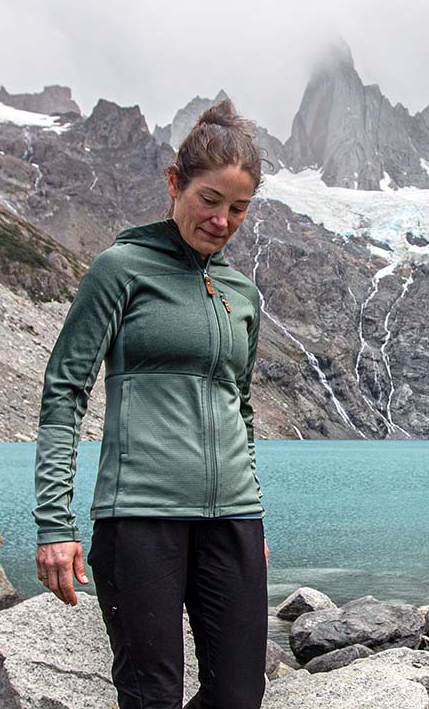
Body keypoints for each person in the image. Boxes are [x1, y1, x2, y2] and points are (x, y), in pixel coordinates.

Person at [33, 99, 269, 709]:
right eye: (209, 200)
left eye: (238, 209)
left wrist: (252, 511)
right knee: (151, 696)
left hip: (232, 522)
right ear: (174, 183)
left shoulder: (242, 293)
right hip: (139, 517)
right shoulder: (120, 270)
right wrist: (55, 525)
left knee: (239, 697)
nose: (222, 221)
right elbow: (64, 392)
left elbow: (239, 406)